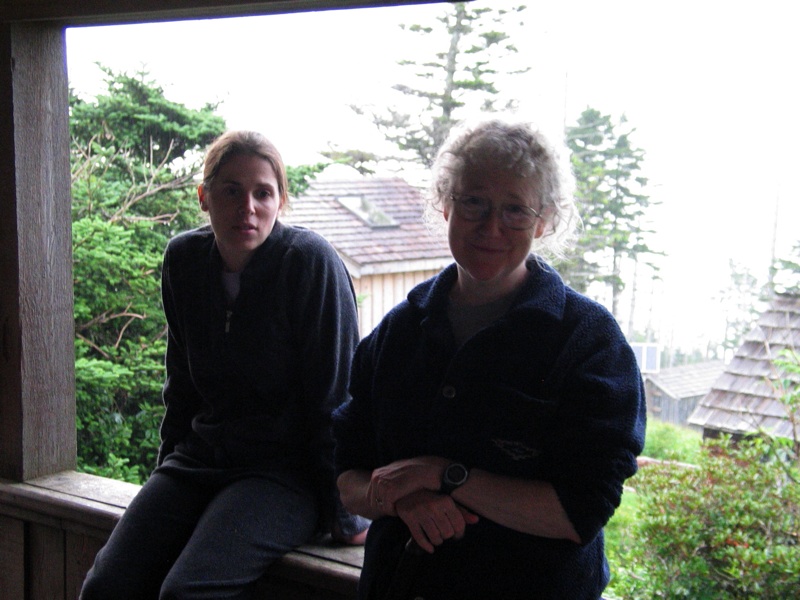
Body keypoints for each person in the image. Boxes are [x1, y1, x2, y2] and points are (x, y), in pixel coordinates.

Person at [333, 119, 646, 600]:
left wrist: (446, 474)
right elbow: (346, 475)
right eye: (474, 201)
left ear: (544, 221)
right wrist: (404, 499)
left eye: (515, 210)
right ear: (446, 204)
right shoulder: (399, 332)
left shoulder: (588, 342)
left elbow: (578, 512)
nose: (491, 227)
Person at [80, 130, 368, 600]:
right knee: (107, 586)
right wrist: (165, 480)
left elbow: (334, 398)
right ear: (204, 196)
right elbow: (182, 385)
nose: (247, 207)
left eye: (263, 193)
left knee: (187, 593)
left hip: (283, 474)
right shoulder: (185, 260)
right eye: (231, 190)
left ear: (280, 201)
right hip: (201, 459)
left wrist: (345, 513)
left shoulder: (308, 264)